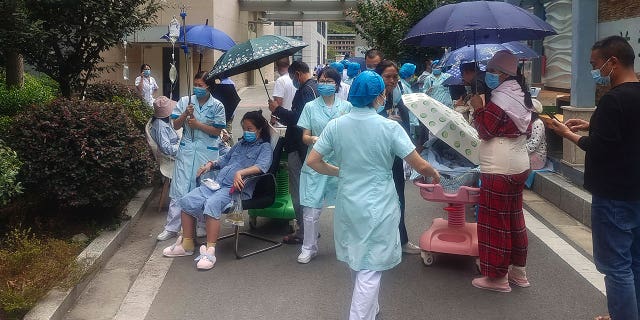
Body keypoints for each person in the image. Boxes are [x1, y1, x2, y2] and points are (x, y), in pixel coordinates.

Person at [306, 71, 440, 320]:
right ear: (380, 96)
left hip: (347, 201)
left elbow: (314, 160)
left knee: (358, 259)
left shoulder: (336, 125)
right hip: (379, 202)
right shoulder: (389, 127)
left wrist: (338, 171)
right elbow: (419, 164)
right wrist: (434, 173)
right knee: (371, 266)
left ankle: (371, 309)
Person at [546, 36, 640, 320]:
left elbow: (600, 147)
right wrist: (592, 123)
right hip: (636, 192)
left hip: (613, 196)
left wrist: (568, 134)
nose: (594, 71)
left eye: (594, 64)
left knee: (616, 266)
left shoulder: (613, 99)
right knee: (634, 261)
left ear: (612, 62)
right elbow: (626, 134)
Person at [162, 111, 273, 270]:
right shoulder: (240, 144)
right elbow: (225, 159)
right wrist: (210, 165)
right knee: (186, 200)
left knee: (212, 204)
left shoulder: (264, 147)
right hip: (217, 184)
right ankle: (186, 245)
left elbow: (261, 167)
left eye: (250, 129)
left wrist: (240, 173)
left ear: (260, 129)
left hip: (236, 190)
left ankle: (210, 252)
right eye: (244, 129)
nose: (246, 132)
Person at [469, 50, 534, 293]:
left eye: (493, 71)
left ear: (503, 73)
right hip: (518, 164)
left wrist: (478, 108)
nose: (489, 75)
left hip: (499, 167)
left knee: (494, 222)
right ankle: (518, 272)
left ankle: (497, 277)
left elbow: (486, 130)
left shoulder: (501, 99)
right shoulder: (520, 94)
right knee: (514, 218)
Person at [156, 71, 226, 241]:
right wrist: (185, 114)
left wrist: (198, 125)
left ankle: (202, 225)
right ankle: (172, 227)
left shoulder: (217, 106)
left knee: (203, 188)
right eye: (195, 84)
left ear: (208, 86)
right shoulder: (185, 101)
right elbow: (175, 124)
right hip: (187, 150)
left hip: (206, 151)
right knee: (179, 188)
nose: (197, 88)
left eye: (200, 85)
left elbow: (217, 131)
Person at [296, 67, 352, 264]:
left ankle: (347, 245)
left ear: (337, 84)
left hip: (339, 162)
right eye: (322, 80)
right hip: (316, 162)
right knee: (311, 210)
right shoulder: (310, 107)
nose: (325, 84)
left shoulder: (347, 107)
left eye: (329, 81)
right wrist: (313, 138)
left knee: (346, 208)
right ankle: (308, 247)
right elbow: (303, 137)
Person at [374, 60, 423, 254]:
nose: (393, 80)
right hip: (375, 158)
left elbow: (406, 122)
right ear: (379, 77)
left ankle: (402, 240)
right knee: (377, 201)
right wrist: (384, 120)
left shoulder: (399, 94)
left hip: (394, 156)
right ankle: (380, 244)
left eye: (395, 76)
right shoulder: (372, 97)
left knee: (398, 198)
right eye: (388, 76)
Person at [268, 61, 318, 245]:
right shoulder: (312, 88)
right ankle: (308, 230)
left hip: (299, 147)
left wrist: (278, 110)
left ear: (297, 74)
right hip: (304, 146)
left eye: (292, 78)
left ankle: (304, 233)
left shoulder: (306, 90)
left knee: (299, 191)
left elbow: (299, 119)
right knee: (306, 190)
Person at [526, 99, 547, 170]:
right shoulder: (528, 122)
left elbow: (533, 144)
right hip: (527, 153)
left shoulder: (538, 123)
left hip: (537, 157)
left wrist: (519, 151)